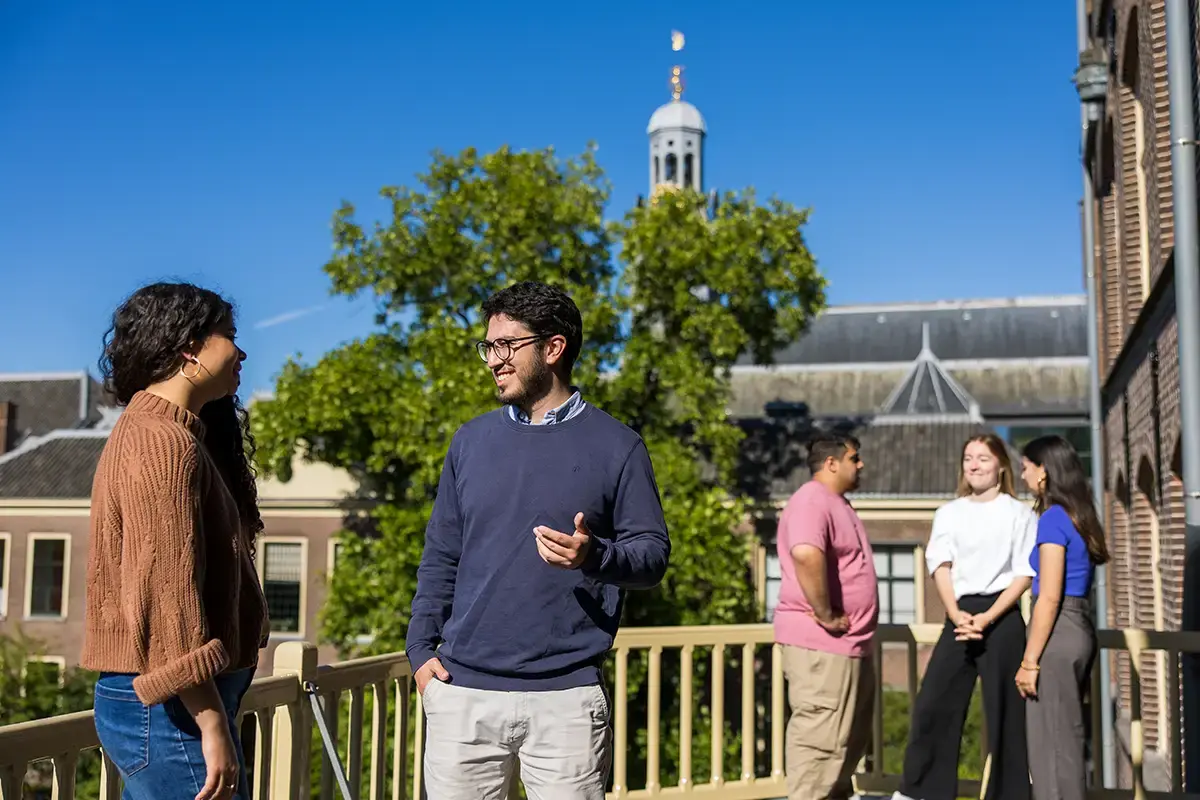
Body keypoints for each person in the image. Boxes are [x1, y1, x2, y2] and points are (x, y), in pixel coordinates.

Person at [405, 280, 671, 800]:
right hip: (462, 697)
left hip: (567, 701)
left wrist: (595, 555)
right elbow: (441, 555)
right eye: (488, 346)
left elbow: (653, 556)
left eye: (506, 345)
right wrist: (419, 650)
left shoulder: (619, 446)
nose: (492, 360)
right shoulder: (469, 442)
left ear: (553, 349)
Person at [81, 282, 269, 800]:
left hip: (175, 705)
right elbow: (167, 603)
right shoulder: (160, 443)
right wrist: (210, 724)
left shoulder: (173, 433)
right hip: (170, 711)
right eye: (228, 335)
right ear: (189, 347)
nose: (242, 350)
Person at [894, 434, 1037, 800]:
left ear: (1001, 465)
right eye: (968, 458)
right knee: (934, 704)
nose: (973, 465)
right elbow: (939, 565)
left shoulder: (1020, 513)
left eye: (983, 459)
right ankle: (922, 793)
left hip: (1002, 618)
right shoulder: (948, 513)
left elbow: (1023, 573)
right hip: (958, 615)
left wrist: (988, 617)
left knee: (1007, 714)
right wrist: (956, 613)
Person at [773, 431, 877, 800]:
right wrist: (826, 613)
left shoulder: (837, 503)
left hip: (851, 646)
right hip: (822, 645)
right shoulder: (811, 501)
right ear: (831, 463)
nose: (860, 464)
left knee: (844, 747)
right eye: (854, 457)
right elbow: (805, 553)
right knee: (820, 745)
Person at [1016, 435, 1108, 800]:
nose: (1022, 475)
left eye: (1025, 468)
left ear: (1044, 472)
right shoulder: (1079, 515)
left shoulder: (1053, 519)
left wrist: (1029, 661)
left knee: (1051, 750)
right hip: (1080, 626)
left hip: (1057, 633)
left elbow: (1049, 595)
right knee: (1067, 741)